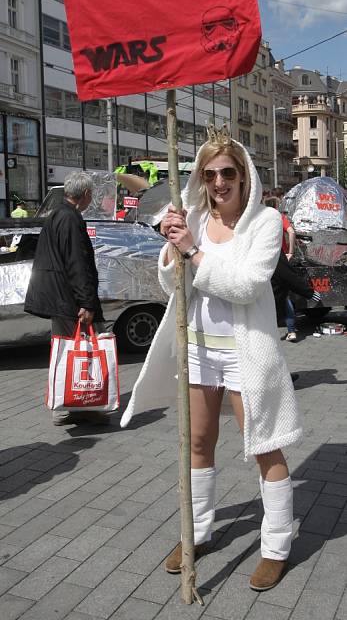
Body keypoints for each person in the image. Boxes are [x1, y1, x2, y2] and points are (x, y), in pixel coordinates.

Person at [121, 130, 303, 592]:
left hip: (247, 353)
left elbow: (245, 286)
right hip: (200, 349)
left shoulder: (264, 222)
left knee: (265, 447)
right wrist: (172, 249)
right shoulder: (194, 218)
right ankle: (197, 532)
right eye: (210, 174)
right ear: (201, 179)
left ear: (244, 177)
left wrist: (193, 251)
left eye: (227, 172)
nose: (219, 181)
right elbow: (173, 288)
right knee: (197, 443)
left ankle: (276, 546)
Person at [24, 171, 106, 425]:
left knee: (65, 352)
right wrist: (87, 303)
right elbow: (76, 264)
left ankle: (70, 403)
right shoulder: (71, 219)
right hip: (69, 300)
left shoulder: (56, 214)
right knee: (81, 352)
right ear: (87, 194)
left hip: (59, 298)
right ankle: (76, 404)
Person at [272, 250, 321, 342]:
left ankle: (291, 332)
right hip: (268, 299)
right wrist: (309, 293)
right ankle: (291, 331)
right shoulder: (272, 249)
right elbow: (288, 276)